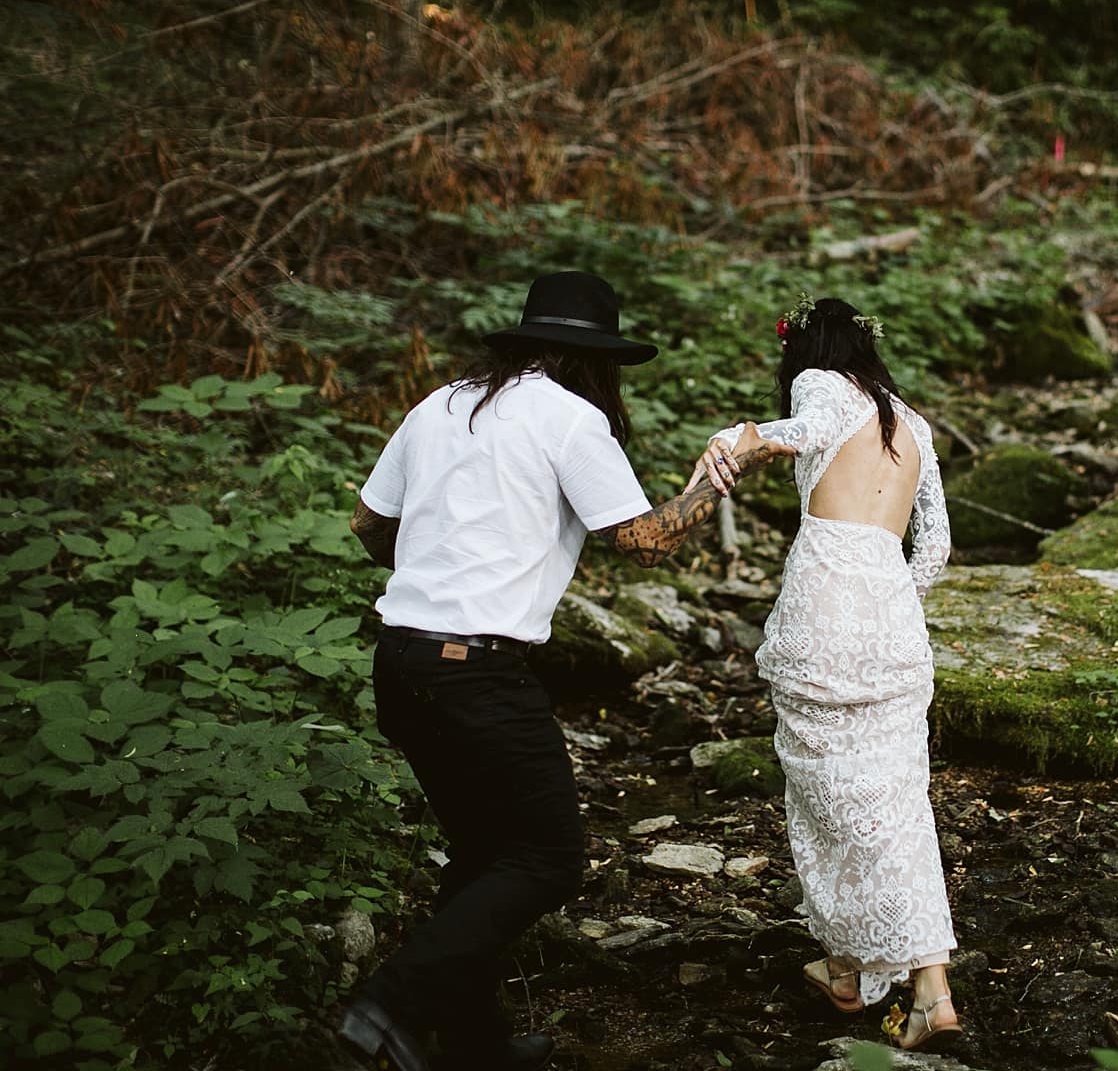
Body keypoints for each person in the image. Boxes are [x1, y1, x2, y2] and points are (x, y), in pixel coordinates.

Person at [336, 272, 782, 1071]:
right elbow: (643, 540)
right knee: (547, 857)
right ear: (595, 360)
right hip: (478, 675)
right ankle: (390, 1000)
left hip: (401, 662)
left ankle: (472, 1043)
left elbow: (369, 524)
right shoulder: (572, 420)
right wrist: (716, 475)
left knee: (480, 853)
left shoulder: (439, 404)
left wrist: (435, 563)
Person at [697, 295, 962, 1052]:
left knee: (826, 800)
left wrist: (739, 438)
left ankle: (891, 972)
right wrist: (885, 597)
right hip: (892, 620)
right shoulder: (915, 424)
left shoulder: (820, 384)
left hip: (825, 610)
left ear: (806, 350)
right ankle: (879, 975)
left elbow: (805, 432)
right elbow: (935, 549)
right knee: (895, 799)